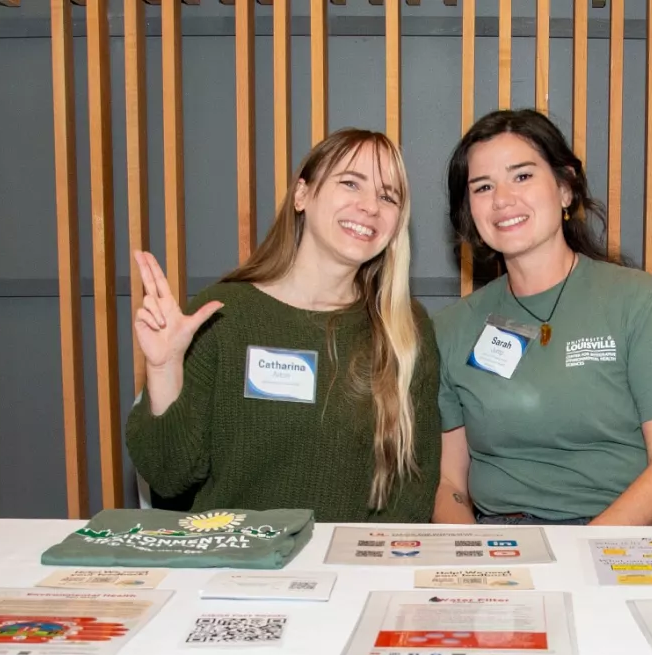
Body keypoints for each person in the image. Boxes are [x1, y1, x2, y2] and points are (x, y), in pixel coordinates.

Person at [127, 129, 440, 522]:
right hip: (232, 564)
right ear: (302, 195)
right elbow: (169, 476)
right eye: (350, 183)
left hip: (346, 572)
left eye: (387, 196)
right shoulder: (222, 314)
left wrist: (364, 568)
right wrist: (163, 369)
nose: (370, 207)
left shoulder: (406, 331)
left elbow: (413, 488)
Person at [433, 109, 652, 526]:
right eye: (483, 186)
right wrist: (470, 554)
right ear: (470, 211)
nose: (503, 199)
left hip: (629, 533)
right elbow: (450, 480)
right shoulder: (453, 327)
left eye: (522, 176)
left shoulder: (637, 300)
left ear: (565, 188)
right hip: (507, 540)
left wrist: (580, 554)